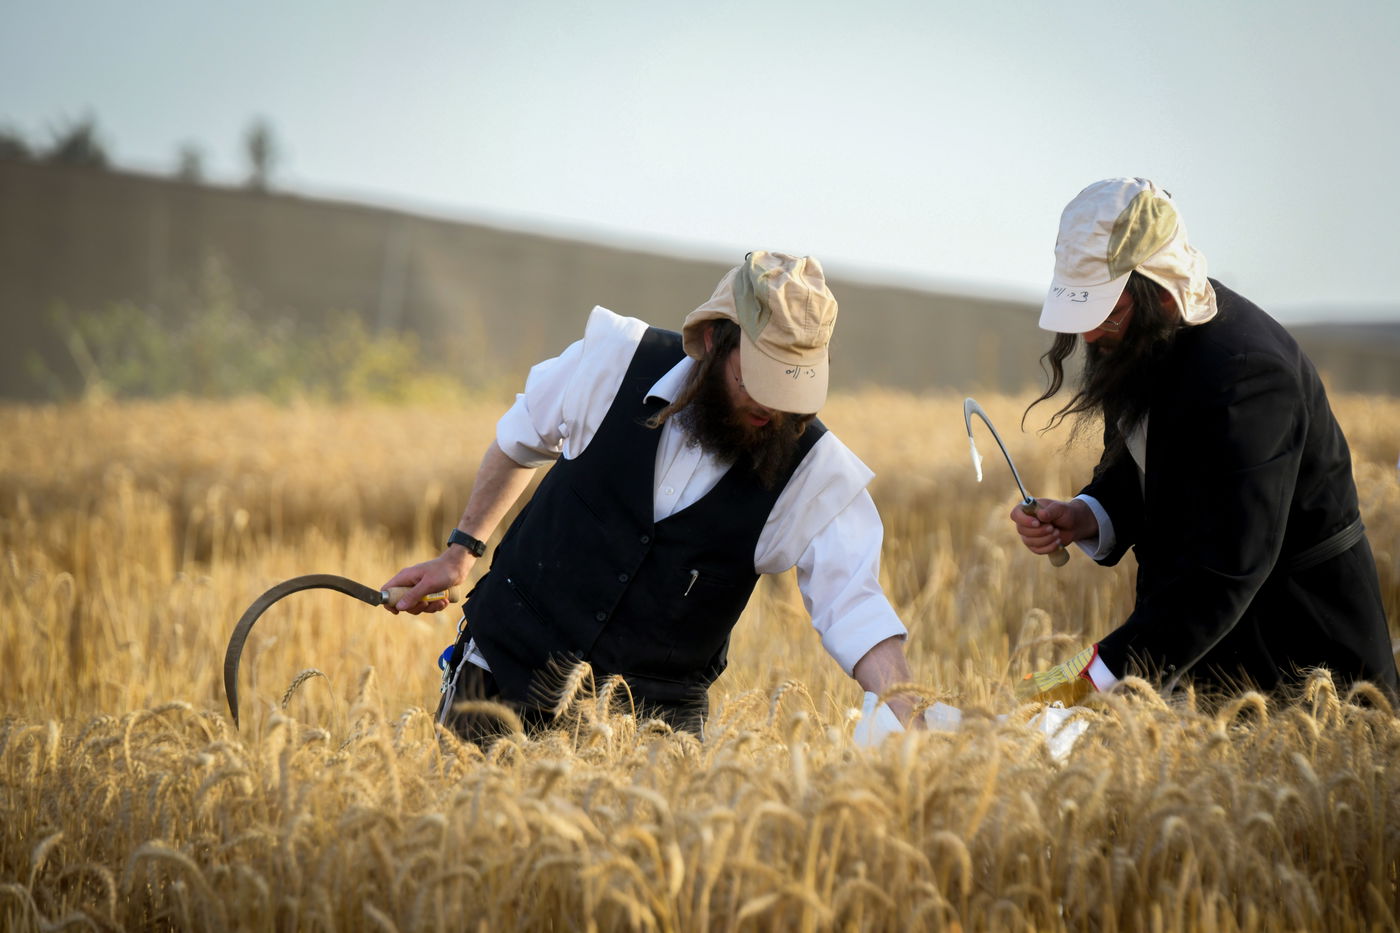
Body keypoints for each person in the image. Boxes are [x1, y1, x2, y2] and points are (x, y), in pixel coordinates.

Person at [384, 251, 918, 739]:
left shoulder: (816, 471)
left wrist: (910, 715)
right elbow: (519, 437)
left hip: (650, 742)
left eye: (791, 390)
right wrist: (461, 552)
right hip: (499, 677)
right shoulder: (615, 359)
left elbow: (853, 605)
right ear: (714, 339)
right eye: (757, 380)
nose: (774, 410)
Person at [1010, 177, 1397, 706]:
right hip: (1198, 652)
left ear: (1161, 293)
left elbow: (1222, 572)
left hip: (1301, 663)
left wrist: (1078, 685)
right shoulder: (1138, 337)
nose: (1090, 335)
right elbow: (1138, 463)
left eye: (1104, 312)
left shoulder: (1250, 377)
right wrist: (1088, 512)